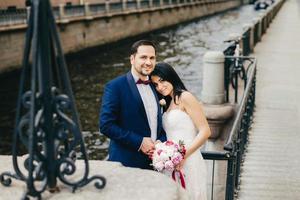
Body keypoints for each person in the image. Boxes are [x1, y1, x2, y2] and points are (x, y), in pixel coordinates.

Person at [99, 40, 166, 169]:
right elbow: (106, 125)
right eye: (143, 57)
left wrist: (160, 142)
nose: (148, 62)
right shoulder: (115, 87)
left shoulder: (156, 86)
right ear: (132, 59)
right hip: (127, 164)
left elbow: (159, 123)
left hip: (156, 163)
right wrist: (140, 142)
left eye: (152, 58)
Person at [150, 62, 211, 200]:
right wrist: (161, 146)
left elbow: (205, 131)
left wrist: (183, 155)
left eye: (162, 80)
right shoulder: (167, 102)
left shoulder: (185, 97)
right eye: (156, 84)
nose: (160, 87)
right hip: (172, 162)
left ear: (170, 76)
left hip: (189, 159)